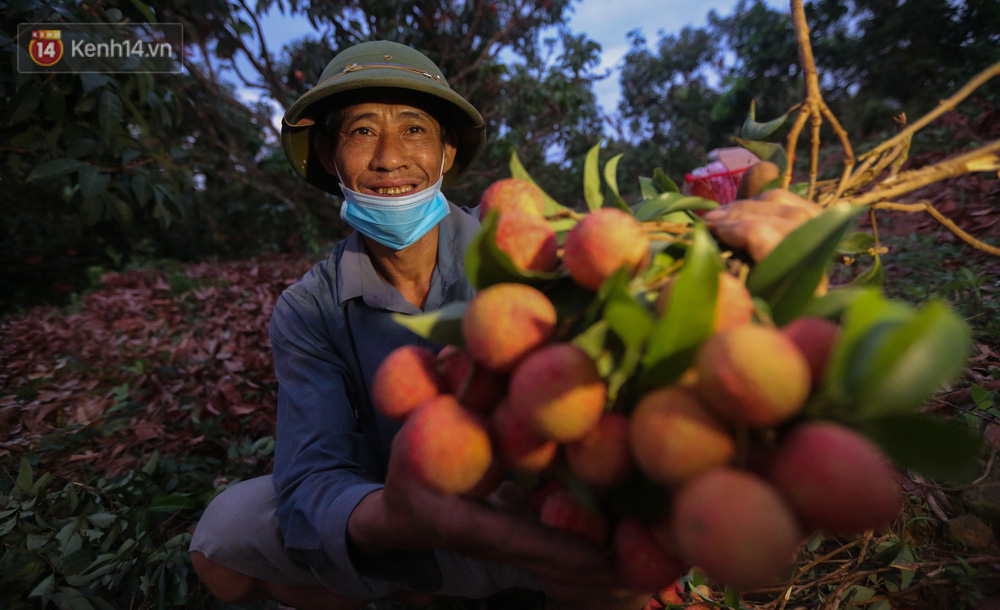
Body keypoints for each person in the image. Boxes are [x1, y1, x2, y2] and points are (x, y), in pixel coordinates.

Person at [188, 40, 820, 610]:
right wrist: (397, 518)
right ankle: (415, 592)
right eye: (360, 132)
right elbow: (312, 478)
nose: (389, 157)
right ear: (330, 156)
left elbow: (650, 314)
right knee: (223, 534)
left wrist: (770, 279)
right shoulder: (310, 308)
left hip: (541, 510)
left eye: (414, 129)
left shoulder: (534, 250)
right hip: (411, 517)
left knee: (613, 563)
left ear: (446, 152)